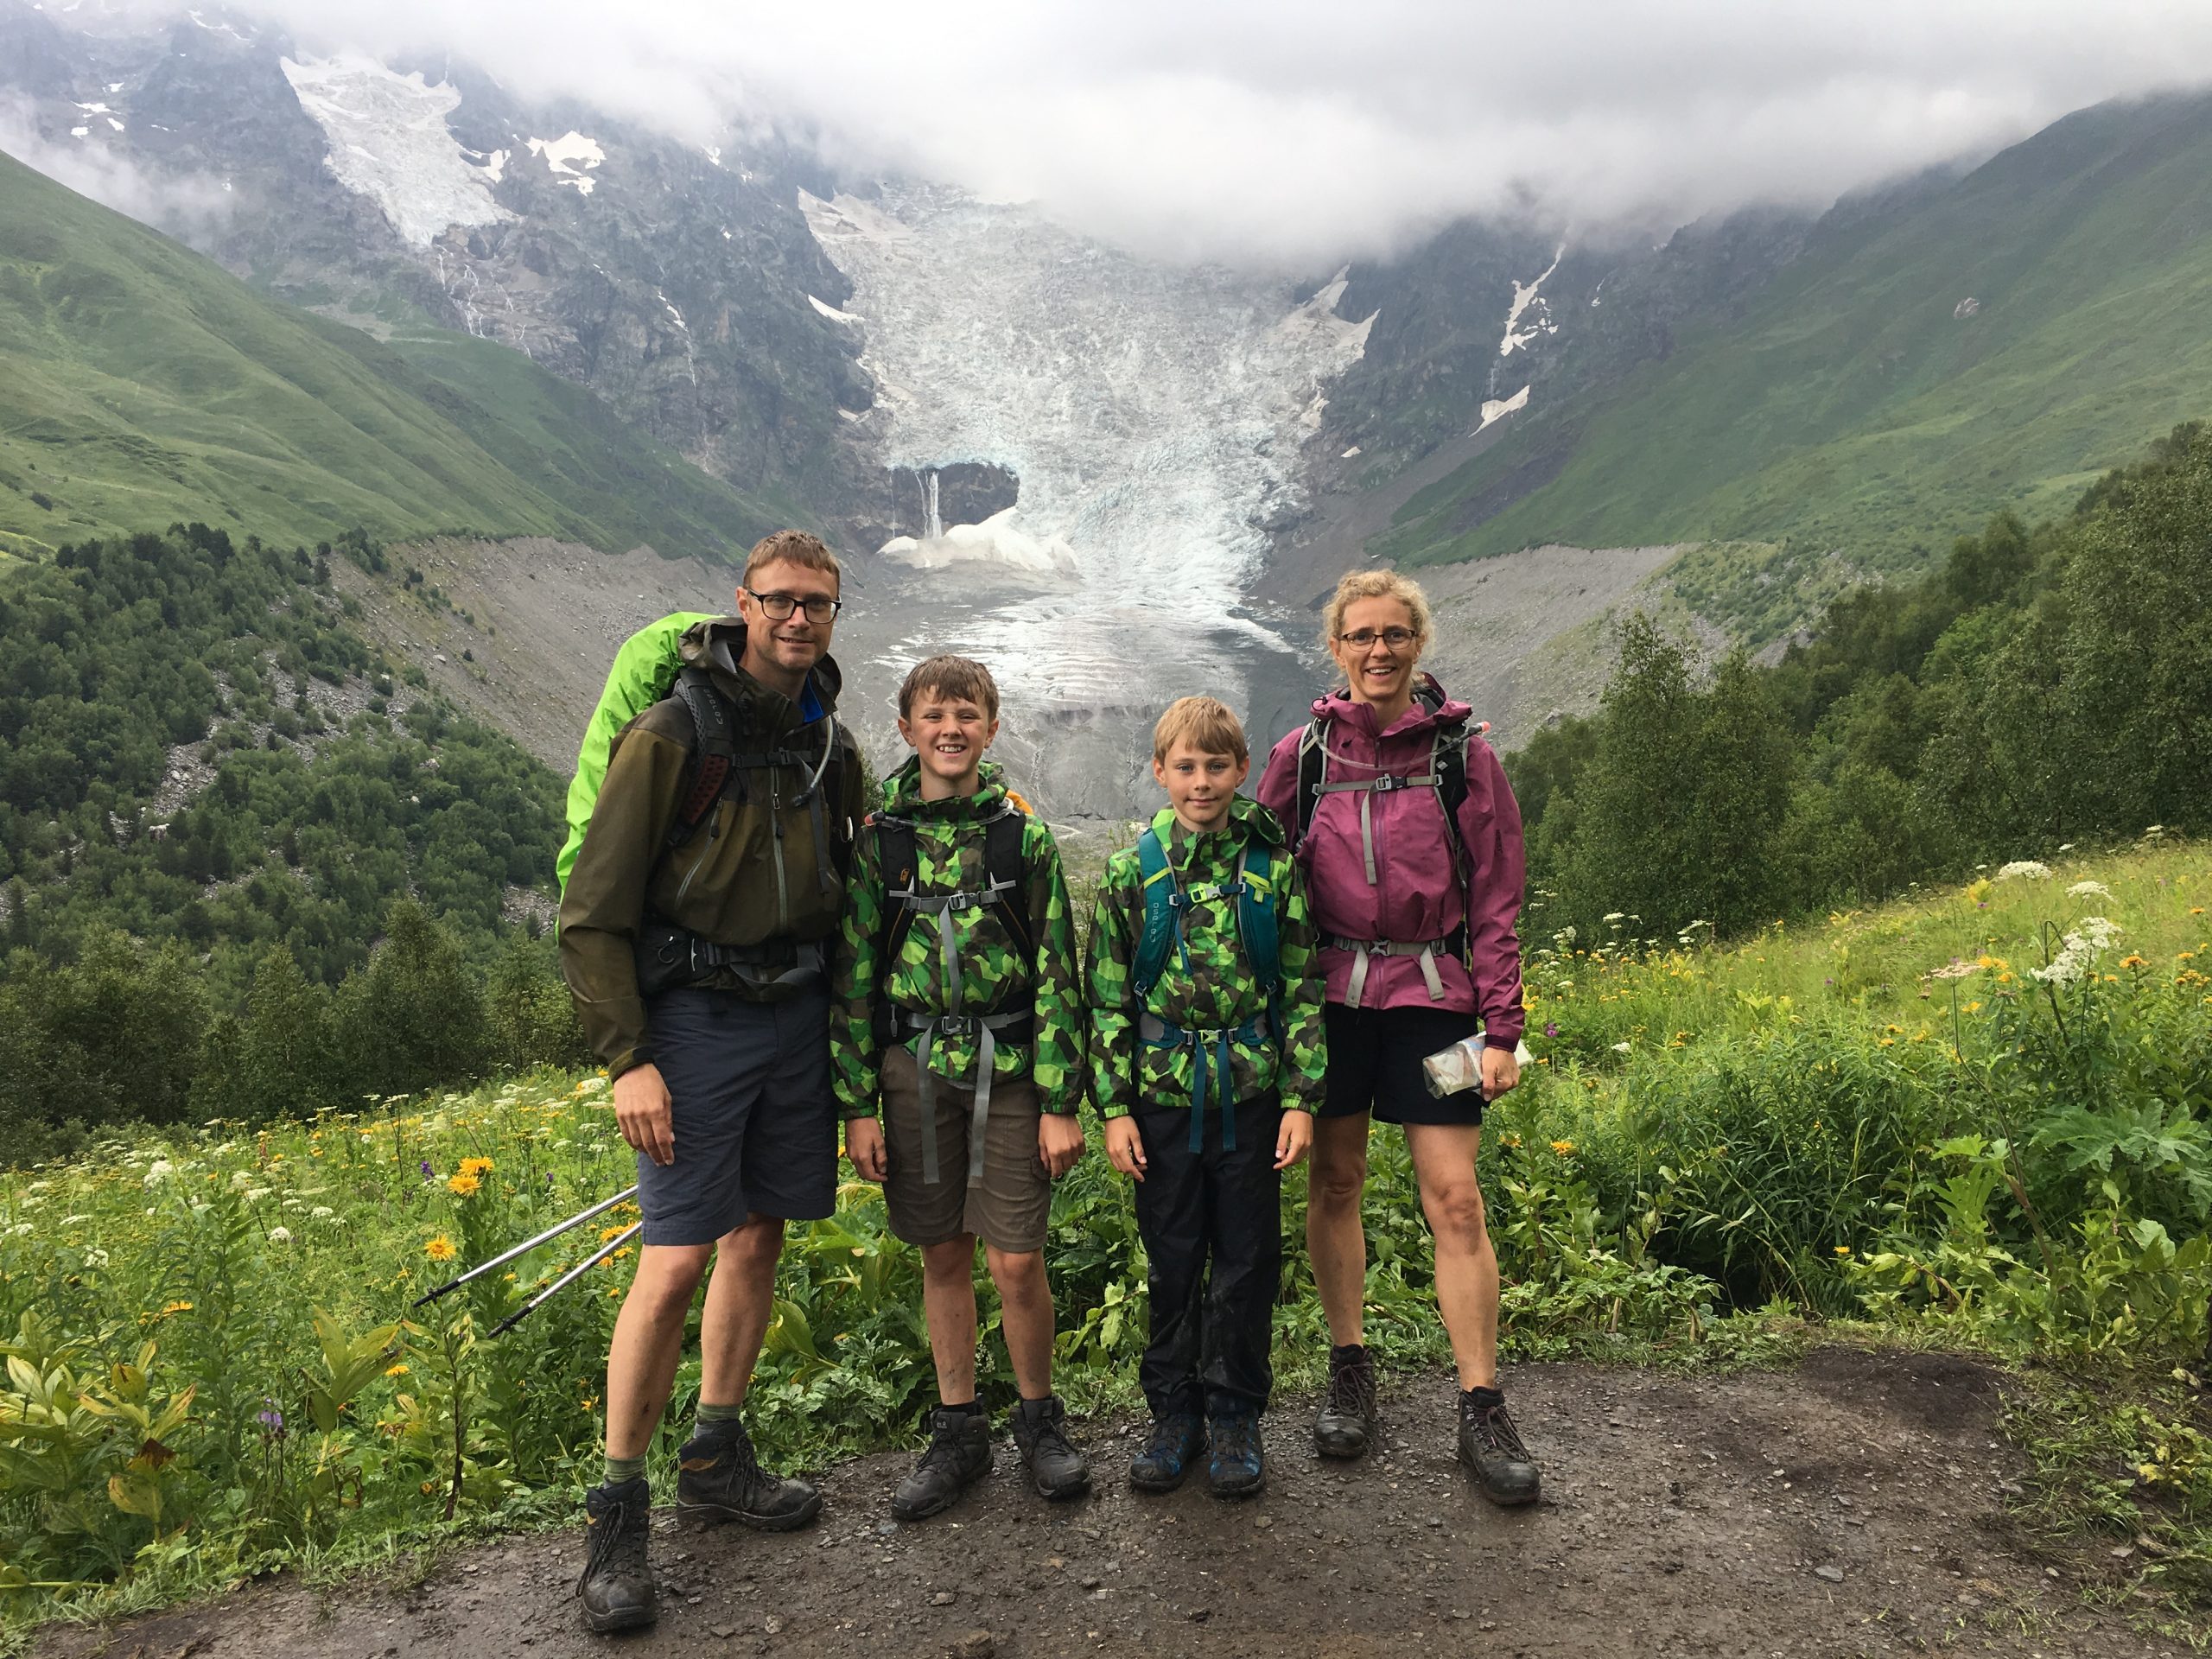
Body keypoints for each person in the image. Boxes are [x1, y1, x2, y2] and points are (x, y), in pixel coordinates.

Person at [558, 530, 870, 1633]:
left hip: (791, 1014)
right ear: (742, 604)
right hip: (691, 1017)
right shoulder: (671, 732)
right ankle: (616, 1513)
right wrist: (627, 1057)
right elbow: (592, 907)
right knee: (678, 1251)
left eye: (817, 604)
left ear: (835, 615)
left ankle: (717, 1449)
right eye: (780, 601)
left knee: (759, 1233)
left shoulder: (826, 739)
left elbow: (853, 894)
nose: (797, 620)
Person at [1255, 568, 1539, 1507]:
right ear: (1335, 648)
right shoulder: (1304, 756)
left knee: (1454, 1199)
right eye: (1360, 636)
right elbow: (1258, 878)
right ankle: (1349, 1366)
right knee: (1334, 1181)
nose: (1378, 650)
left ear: (1418, 643)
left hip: (1433, 993)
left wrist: (1503, 1024)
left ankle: (1481, 1400)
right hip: (1330, 994)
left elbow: (1496, 893)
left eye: (1394, 634)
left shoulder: (1464, 755)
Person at [834, 654, 1091, 1519]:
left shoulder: (1024, 838)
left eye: (968, 713)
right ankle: (957, 1429)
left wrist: (1062, 1101)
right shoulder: (879, 843)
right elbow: (855, 979)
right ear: (906, 729)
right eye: (934, 714)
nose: (951, 728)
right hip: (912, 1070)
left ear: (990, 725)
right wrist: (857, 1105)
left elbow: (1060, 972)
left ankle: (1038, 1418)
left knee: (1016, 1258)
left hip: (1012, 1068)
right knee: (940, 1252)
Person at [1089, 696, 1322, 1499]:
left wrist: (1301, 1097)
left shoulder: (1271, 869)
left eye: (1215, 766)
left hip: (1253, 1096)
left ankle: (1235, 1415)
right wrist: (1114, 1108)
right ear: (1160, 773)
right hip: (1161, 1100)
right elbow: (1109, 1000)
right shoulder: (1132, 875)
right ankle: (1173, 1413)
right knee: (1174, 1257)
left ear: (1241, 768)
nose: (1201, 782)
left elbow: (1299, 988)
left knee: (1249, 1259)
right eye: (1185, 767)